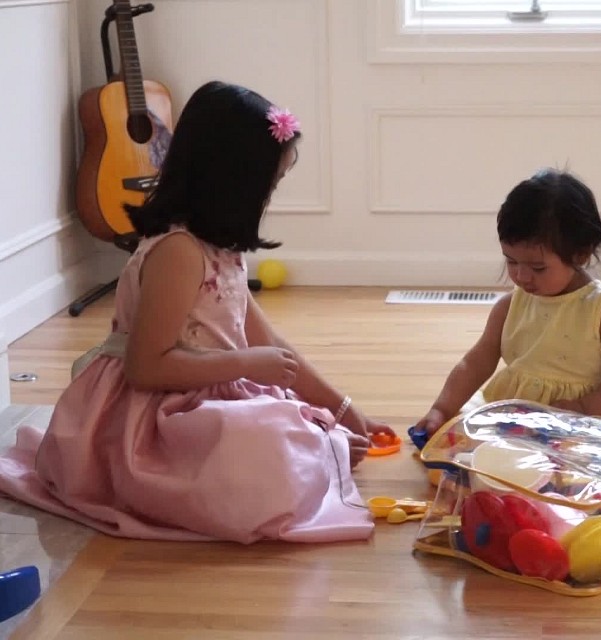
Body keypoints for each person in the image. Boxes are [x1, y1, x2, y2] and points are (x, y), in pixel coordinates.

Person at [0, 81, 394, 544]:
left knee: (287, 429)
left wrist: (345, 410)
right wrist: (245, 364)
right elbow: (146, 368)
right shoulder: (178, 252)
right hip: (153, 415)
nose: (268, 196)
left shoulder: (219, 248)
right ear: (230, 179)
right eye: (268, 184)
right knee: (268, 445)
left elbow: (271, 345)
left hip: (207, 392)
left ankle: (306, 449)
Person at [417, 168, 601, 437]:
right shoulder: (509, 307)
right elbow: (475, 363)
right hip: (518, 416)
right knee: (468, 448)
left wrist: (584, 407)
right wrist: (442, 409)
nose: (521, 276)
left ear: (580, 254)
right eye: (511, 261)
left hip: (583, 419)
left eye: (538, 268)